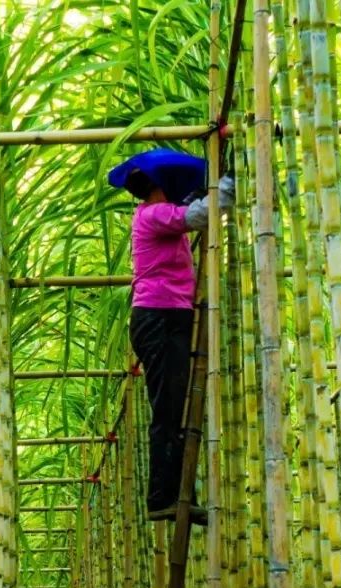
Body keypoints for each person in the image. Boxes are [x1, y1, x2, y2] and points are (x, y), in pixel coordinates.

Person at [112, 156, 234, 522]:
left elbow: (189, 208)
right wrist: (230, 182)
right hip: (159, 318)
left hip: (166, 316)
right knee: (168, 410)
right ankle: (163, 497)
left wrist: (206, 190)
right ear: (161, 183)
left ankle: (178, 494)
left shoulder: (156, 213)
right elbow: (199, 214)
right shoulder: (153, 215)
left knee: (175, 408)